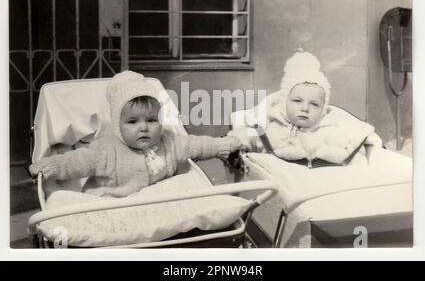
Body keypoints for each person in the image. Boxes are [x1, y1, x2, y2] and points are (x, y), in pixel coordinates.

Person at [29, 71, 242, 197]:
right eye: (132, 122)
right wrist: (45, 167)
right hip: (111, 201)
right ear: (118, 125)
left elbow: (198, 145)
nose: (144, 127)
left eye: (151, 120)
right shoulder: (105, 150)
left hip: (153, 202)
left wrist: (225, 145)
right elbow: (74, 162)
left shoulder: (169, 141)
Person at [229, 50, 378, 168]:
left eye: (314, 104)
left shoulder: (330, 129)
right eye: (297, 101)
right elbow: (244, 136)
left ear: (323, 109)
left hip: (317, 189)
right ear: (284, 102)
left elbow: (357, 146)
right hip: (279, 189)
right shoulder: (269, 126)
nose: (305, 108)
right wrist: (232, 144)